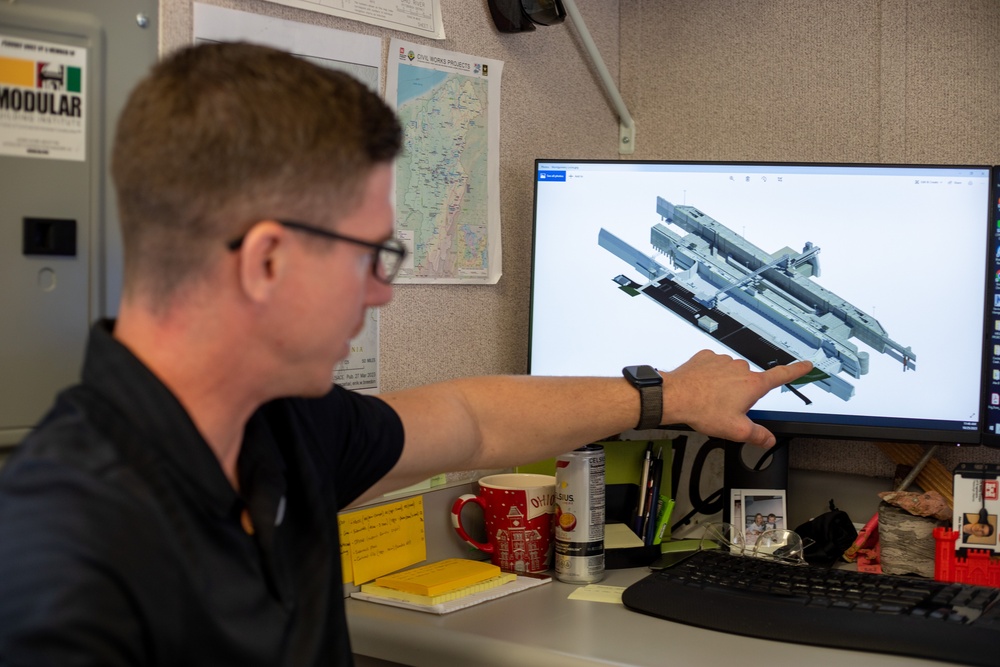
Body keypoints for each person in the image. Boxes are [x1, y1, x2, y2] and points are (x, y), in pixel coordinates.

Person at [0, 42, 812, 666]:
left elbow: (469, 420)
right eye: (371, 255)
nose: (381, 291)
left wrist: (665, 395)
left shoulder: (282, 427)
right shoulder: (64, 562)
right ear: (268, 261)